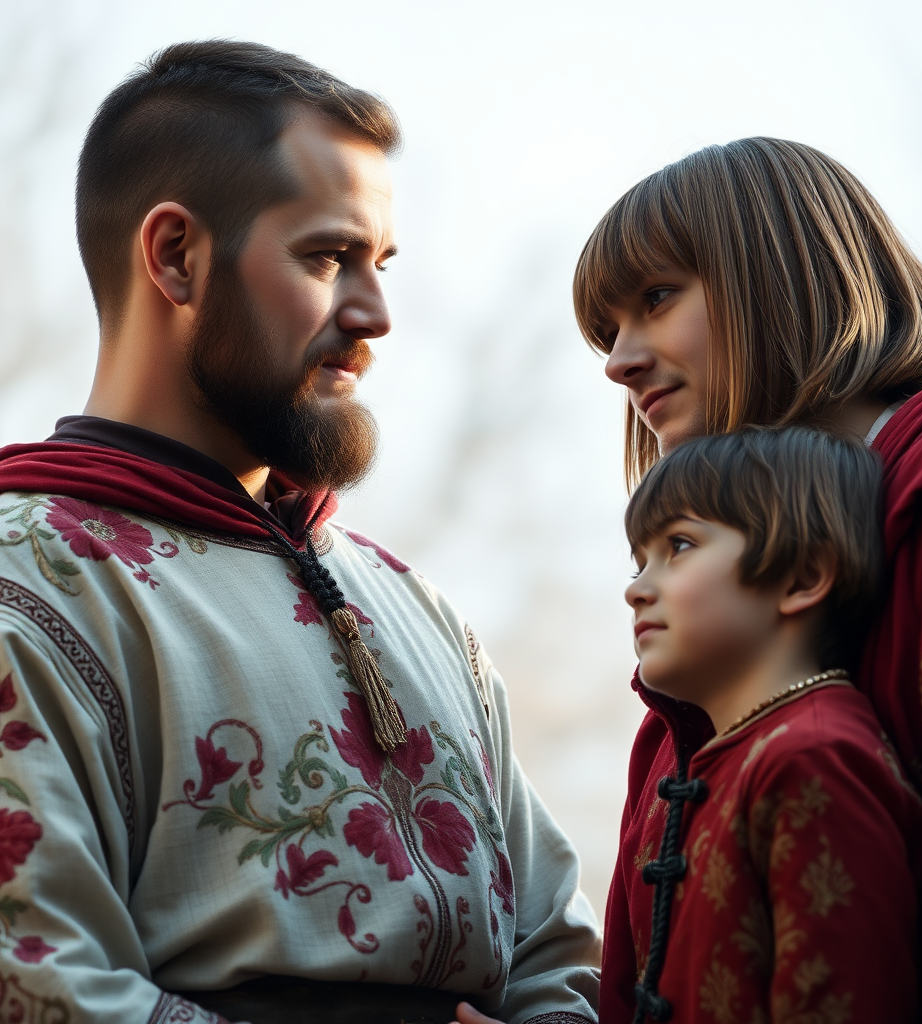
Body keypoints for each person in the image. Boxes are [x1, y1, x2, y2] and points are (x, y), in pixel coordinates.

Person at [0, 41, 600, 1024]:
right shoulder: (23, 582)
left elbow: (557, 958)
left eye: (382, 263)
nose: (376, 314)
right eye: (328, 257)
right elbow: (39, 987)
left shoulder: (419, 607)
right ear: (176, 256)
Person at [573, 137, 922, 1022]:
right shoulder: (708, 658)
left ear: (781, 272)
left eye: (656, 299)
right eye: (607, 331)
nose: (618, 362)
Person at [610, 425, 922, 1024]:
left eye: (678, 546)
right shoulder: (731, 760)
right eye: (637, 564)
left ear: (804, 576)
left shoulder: (816, 756)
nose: (637, 591)